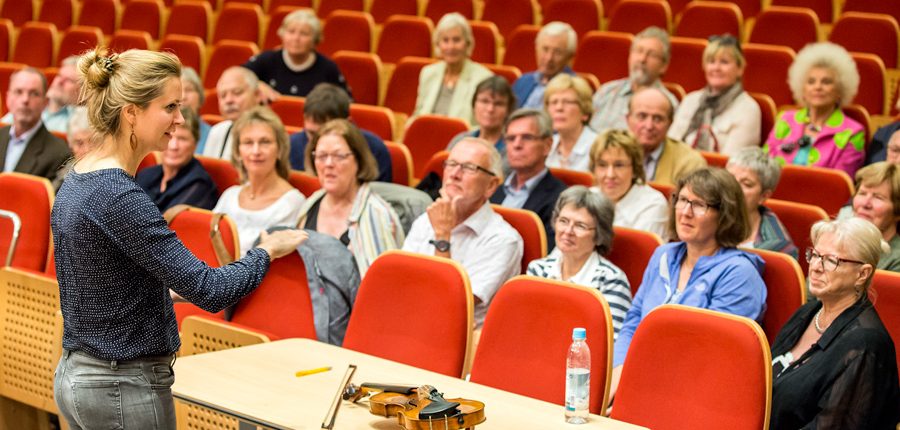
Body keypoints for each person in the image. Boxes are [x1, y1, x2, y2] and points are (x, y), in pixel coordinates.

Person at [51, 48, 307, 429]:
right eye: (170, 107)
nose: (180, 119)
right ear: (131, 113)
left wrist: (160, 289)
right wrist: (268, 250)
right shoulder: (118, 195)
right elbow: (212, 290)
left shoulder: (77, 176)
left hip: (79, 377)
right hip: (121, 386)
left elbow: (105, 281)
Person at [609, 167, 767, 399]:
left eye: (699, 204)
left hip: (691, 393)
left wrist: (636, 390)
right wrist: (618, 376)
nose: (685, 212)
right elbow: (634, 322)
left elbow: (712, 354)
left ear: (726, 214)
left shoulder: (739, 274)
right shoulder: (663, 255)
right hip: (637, 380)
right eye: (682, 200)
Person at [770, 218, 899, 429]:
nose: (815, 267)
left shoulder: (865, 346)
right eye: (814, 255)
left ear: (862, 274)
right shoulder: (807, 312)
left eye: (831, 260)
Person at [403, 137, 523, 326]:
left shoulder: (503, 240)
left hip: (460, 342)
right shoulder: (426, 220)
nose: (454, 174)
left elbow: (449, 305)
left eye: (468, 168)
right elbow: (402, 285)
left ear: (491, 185)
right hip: (410, 322)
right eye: (451, 164)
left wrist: (443, 237)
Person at [297, 119, 404, 276]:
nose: (328, 164)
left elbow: (383, 286)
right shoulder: (311, 202)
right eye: (321, 156)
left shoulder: (376, 215)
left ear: (358, 161)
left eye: (339, 156)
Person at [526, 186, 632, 336]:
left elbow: (610, 344)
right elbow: (526, 326)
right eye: (563, 221)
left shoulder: (611, 280)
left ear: (599, 235)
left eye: (580, 226)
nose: (568, 231)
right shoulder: (537, 270)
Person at [213, 107, 306, 255]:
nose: (256, 151)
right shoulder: (229, 196)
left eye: (265, 142)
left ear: (280, 149)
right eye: (248, 143)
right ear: (238, 152)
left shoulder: (293, 203)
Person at [766, 42, 865, 177]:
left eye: (826, 82)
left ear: (840, 90)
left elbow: (839, 184)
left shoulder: (853, 133)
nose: (817, 87)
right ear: (802, 89)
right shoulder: (785, 119)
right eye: (811, 81)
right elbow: (764, 165)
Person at [668, 34, 760, 156]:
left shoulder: (748, 109)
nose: (716, 68)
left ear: (740, 69)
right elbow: (669, 146)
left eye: (724, 62)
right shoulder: (690, 100)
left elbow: (731, 163)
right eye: (711, 61)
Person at [489, 108, 566, 247]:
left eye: (527, 137)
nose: (517, 145)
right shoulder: (492, 189)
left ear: (547, 146)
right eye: (511, 138)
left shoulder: (561, 200)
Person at [288, 83, 392, 182]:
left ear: (348, 123)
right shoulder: (291, 145)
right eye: (311, 133)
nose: (317, 142)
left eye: (326, 134)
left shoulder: (375, 149)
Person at [243, 8, 349, 102]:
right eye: (291, 32)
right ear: (282, 35)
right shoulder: (267, 59)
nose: (296, 38)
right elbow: (236, 76)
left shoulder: (328, 68)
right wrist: (256, 84)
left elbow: (346, 102)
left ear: (315, 39)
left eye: (304, 34)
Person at [589, 26, 679, 133]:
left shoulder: (668, 104)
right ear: (630, 56)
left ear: (664, 66)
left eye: (652, 55)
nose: (642, 59)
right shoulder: (607, 91)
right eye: (639, 51)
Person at [413, 12, 494, 126]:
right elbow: (418, 114)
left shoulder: (483, 79)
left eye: (456, 40)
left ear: (467, 43)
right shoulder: (428, 73)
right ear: (438, 45)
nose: (451, 47)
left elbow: (481, 126)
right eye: (445, 40)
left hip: (462, 141)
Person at [589, 129, 668, 239]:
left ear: (635, 169)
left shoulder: (653, 205)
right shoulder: (589, 197)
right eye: (602, 165)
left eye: (619, 165)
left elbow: (640, 254)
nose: (610, 174)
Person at [136, 107, 218, 212]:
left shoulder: (199, 186)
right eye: (169, 137)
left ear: (195, 144)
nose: (174, 146)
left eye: (182, 139)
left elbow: (166, 225)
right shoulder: (145, 174)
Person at [0, 67, 70, 186]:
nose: (25, 100)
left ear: (45, 102)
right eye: (18, 92)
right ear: (8, 98)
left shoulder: (60, 153)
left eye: (34, 94)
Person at [725, 148, 798, 258]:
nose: (733, 187)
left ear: (763, 196)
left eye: (746, 184)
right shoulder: (702, 215)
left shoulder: (778, 249)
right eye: (729, 178)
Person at [628, 87, 707, 186]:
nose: (649, 126)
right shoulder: (610, 152)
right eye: (642, 116)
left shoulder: (690, 163)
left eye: (658, 119)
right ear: (628, 119)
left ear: (670, 123)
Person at [448, 75, 516, 173]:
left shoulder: (512, 150)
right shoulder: (459, 140)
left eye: (498, 104)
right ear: (474, 105)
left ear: (508, 110)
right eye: (484, 101)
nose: (490, 109)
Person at [841, 161, 900, 272]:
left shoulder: (896, 261)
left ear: (897, 210)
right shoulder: (834, 241)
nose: (865, 204)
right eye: (862, 193)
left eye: (878, 197)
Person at [512, 21, 577, 109]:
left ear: (569, 57)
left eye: (557, 52)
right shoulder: (523, 81)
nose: (549, 58)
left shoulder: (575, 89)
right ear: (536, 48)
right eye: (545, 49)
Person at [201, 66, 261, 160]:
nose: (228, 100)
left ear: (257, 95)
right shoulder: (216, 131)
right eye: (223, 95)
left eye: (237, 93)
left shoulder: (270, 134)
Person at [544, 74, 597, 172]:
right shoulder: (546, 146)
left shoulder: (598, 147)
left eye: (567, 102)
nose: (559, 108)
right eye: (554, 102)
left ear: (584, 112)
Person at [180, 67, 211, 154]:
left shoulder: (211, 134)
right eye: (178, 90)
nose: (183, 97)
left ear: (200, 96)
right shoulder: (158, 131)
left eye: (189, 90)